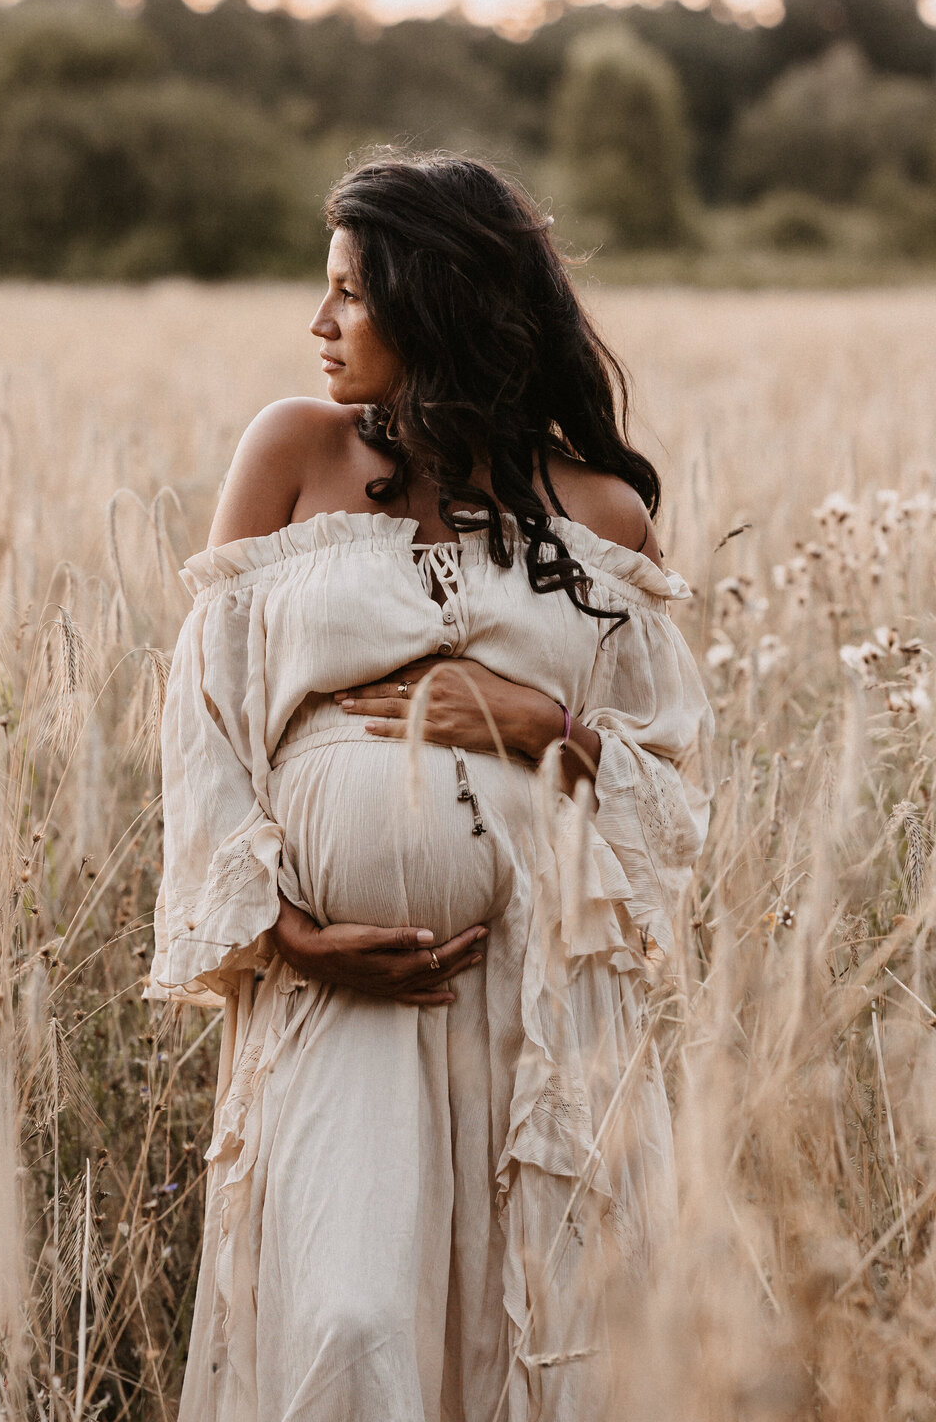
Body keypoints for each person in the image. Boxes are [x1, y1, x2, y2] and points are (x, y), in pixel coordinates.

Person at [149, 153, 713, 1422]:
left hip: (541, 996)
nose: (320, 324)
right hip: (338, 986)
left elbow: (672, 790)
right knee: (348, 1322)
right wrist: (283, 931)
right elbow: (203, 720)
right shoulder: (295, 448)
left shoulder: (605, 519)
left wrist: (540, 722)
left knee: (553, 1320)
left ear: (440, 300)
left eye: (352, 292)